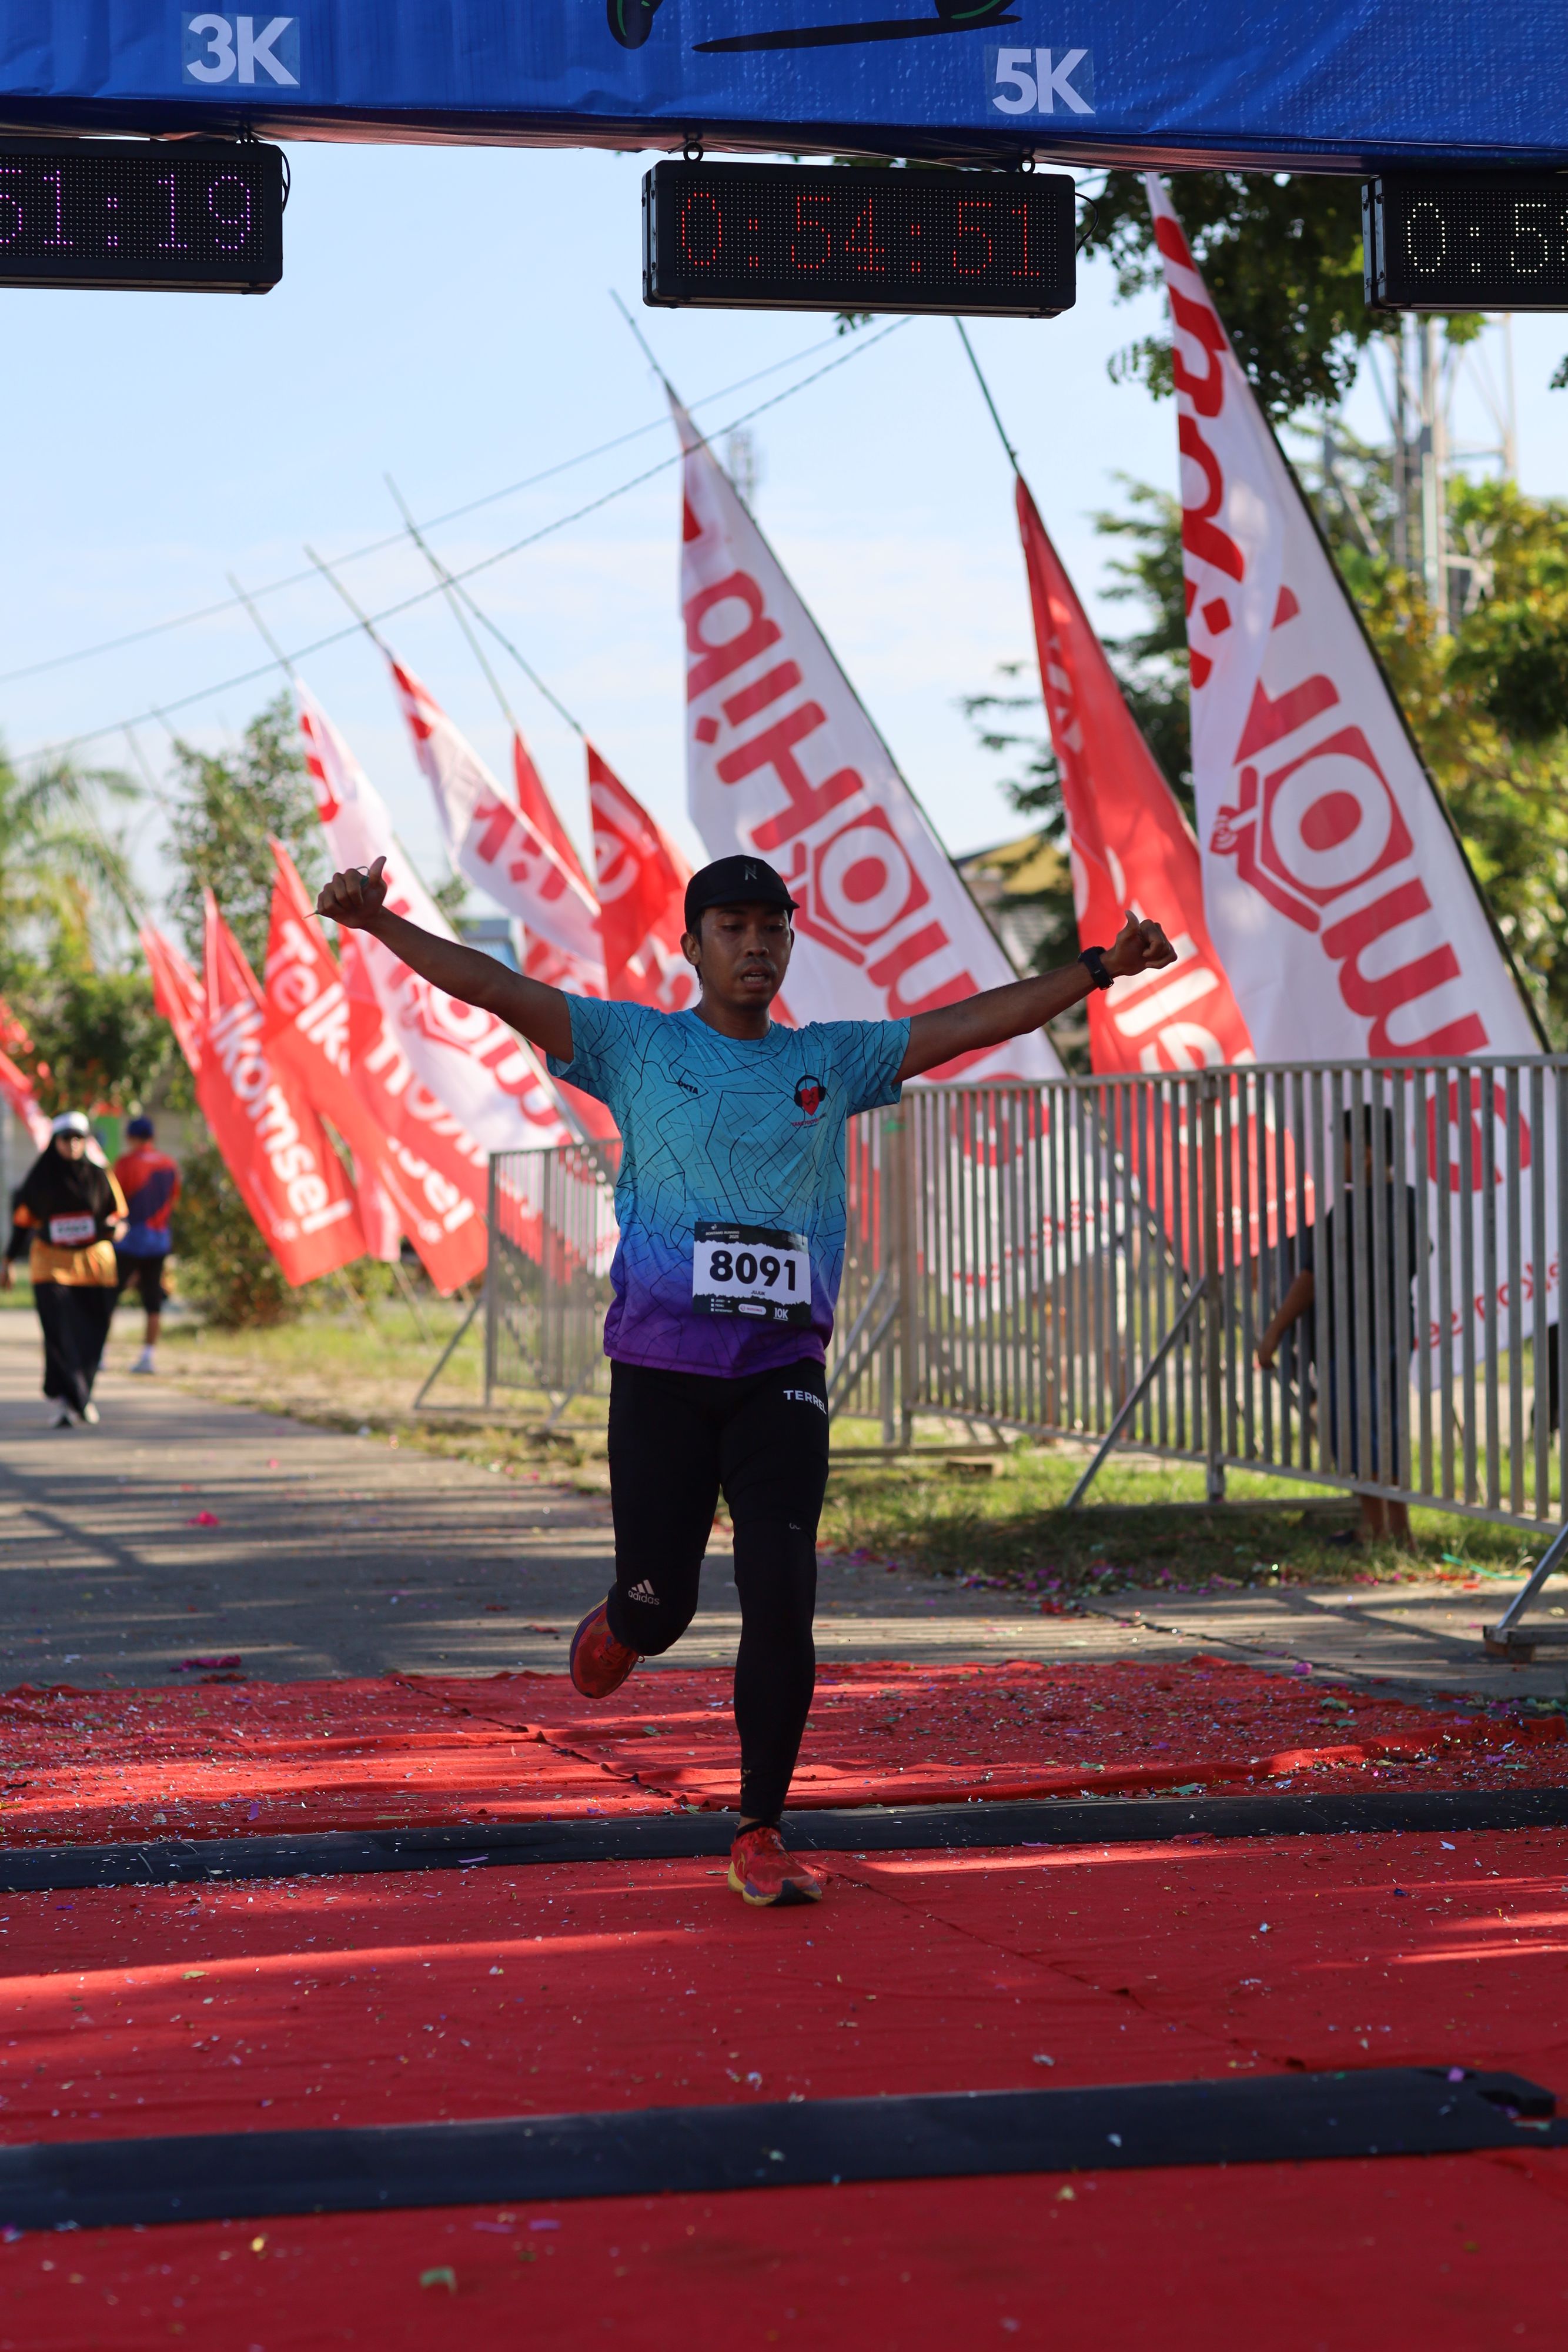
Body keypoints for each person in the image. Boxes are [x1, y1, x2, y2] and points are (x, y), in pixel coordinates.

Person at [317, 848, 1174, 1906]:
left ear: (790, 942)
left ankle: (758, 1825)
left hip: (780, 1375)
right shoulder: (633, 1044)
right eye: (731, 927)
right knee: (662, 1608)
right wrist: (378, 924)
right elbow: (495, 987)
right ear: (691, 946)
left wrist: (1097, 970)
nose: (755, 945)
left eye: (772, 928)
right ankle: (626, 1619)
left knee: (783, 1593)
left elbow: (966, 1025)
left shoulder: (831, 1059)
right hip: (660, 1375)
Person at [1256, 1105, 1420, 1548]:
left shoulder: (1351, 1208)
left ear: (1366, 1154)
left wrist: (1273, 1333)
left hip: (1351, 1337)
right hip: (1394, 1328)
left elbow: (1309, 1279)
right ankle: (1399, 1531)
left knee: (1354, 1428)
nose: (1337, 1158)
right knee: (1388, 1428)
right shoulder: (1408, 1201)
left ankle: (1375, 1529)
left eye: (1343, 1148)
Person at [2, 1112, 126, 1427]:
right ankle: (70, 1400)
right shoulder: (39, 1179)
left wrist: (116, 1230)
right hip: (51, 1267)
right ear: (54, 1142)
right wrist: (7, 1261)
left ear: (86, 1141)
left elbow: (118, 1216)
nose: (72, 1144)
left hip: (95, 1268)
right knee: (59, 1334)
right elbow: (22, 1225)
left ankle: (80, 1397)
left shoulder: (100, 1175)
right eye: (65, 1138)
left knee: (91, 1337)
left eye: (78, 1138)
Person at [112, 1114, 181, 1374]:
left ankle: (100, 1354)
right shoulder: (169, 1164)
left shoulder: (125, 1164)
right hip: (158, 1242)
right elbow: (174, 1199)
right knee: (153, 1301)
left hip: (128, 1241)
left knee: (110, 1296)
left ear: (131, 1137)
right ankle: (148, 1356)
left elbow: (114, 1200)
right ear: (153, 1137)